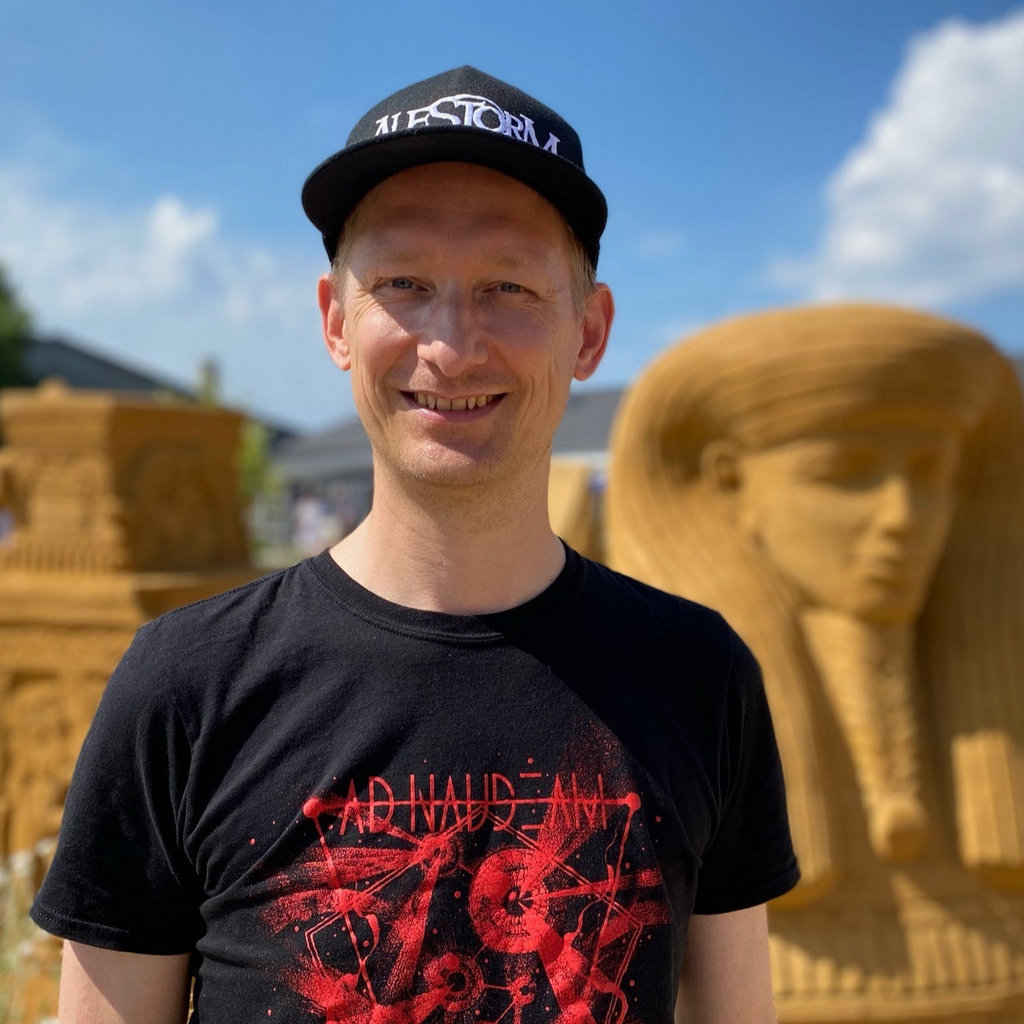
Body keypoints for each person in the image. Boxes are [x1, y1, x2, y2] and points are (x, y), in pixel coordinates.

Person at [31, 66, 799, 1024]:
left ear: (589, 331)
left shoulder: (699, 675)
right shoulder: (186, 684)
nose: (452, 343)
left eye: (509, 285)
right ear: (335, 321)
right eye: (402, 284)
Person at [605, 305, 1024, 1018]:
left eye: (928, 471)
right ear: (729, 482)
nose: (901, 516)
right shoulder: (636, 702)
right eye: (847, 474)